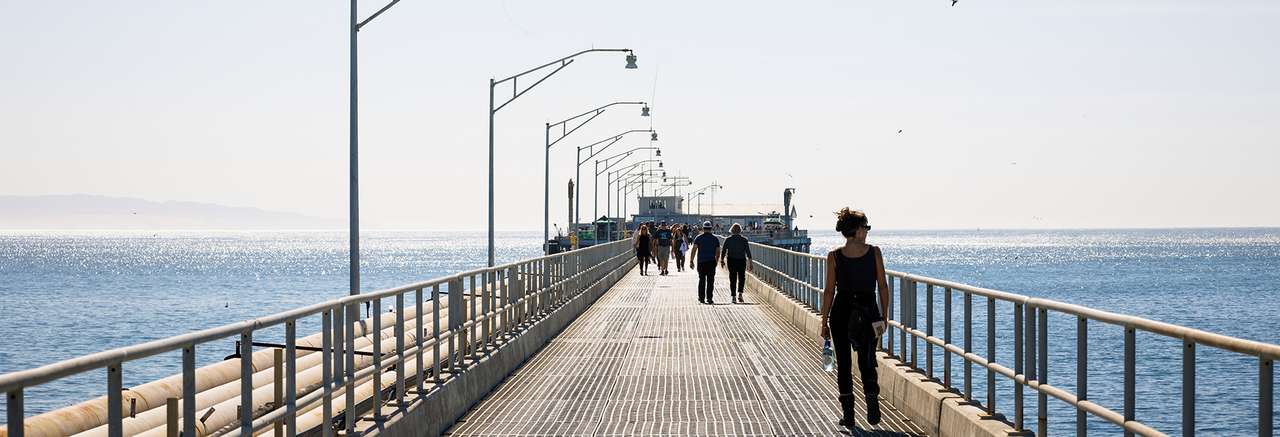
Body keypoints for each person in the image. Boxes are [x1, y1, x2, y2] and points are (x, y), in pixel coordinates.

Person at [818, 208, 890, 428]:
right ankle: (872, 403)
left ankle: (848, 415)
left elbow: (829, 291)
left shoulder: (834, 256)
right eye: (866, 227)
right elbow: (883, 286)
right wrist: (883, 316)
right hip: (868, 311)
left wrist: (824, 320)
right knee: (867, 360)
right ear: (857, 230)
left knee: (844, 364)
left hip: (841, 311)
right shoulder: (874, 252)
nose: (867, 231)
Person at [687, 221, 721, 304]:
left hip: (701, 262)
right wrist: (716, 260)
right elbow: (718, 251)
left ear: (703, 228)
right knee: (710, 281)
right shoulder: (715, 239)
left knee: (702, 280)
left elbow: (694, 250)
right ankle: (709, 298)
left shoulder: (698, 238)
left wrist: (691, 261)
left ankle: (701, 298)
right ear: (711, 228)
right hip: (711, 262)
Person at [720, 223, 753, 303]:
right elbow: (748, 252)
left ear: (731, 230)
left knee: (732, 278)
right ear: (740, 231)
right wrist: (750, 263)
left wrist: (722, 260)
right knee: (742, 277)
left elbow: (723, 251)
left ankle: (733, 296)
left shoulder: (728, 239)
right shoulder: (744, 240)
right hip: (741, 260)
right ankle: (740, 294)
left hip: (731, 260)